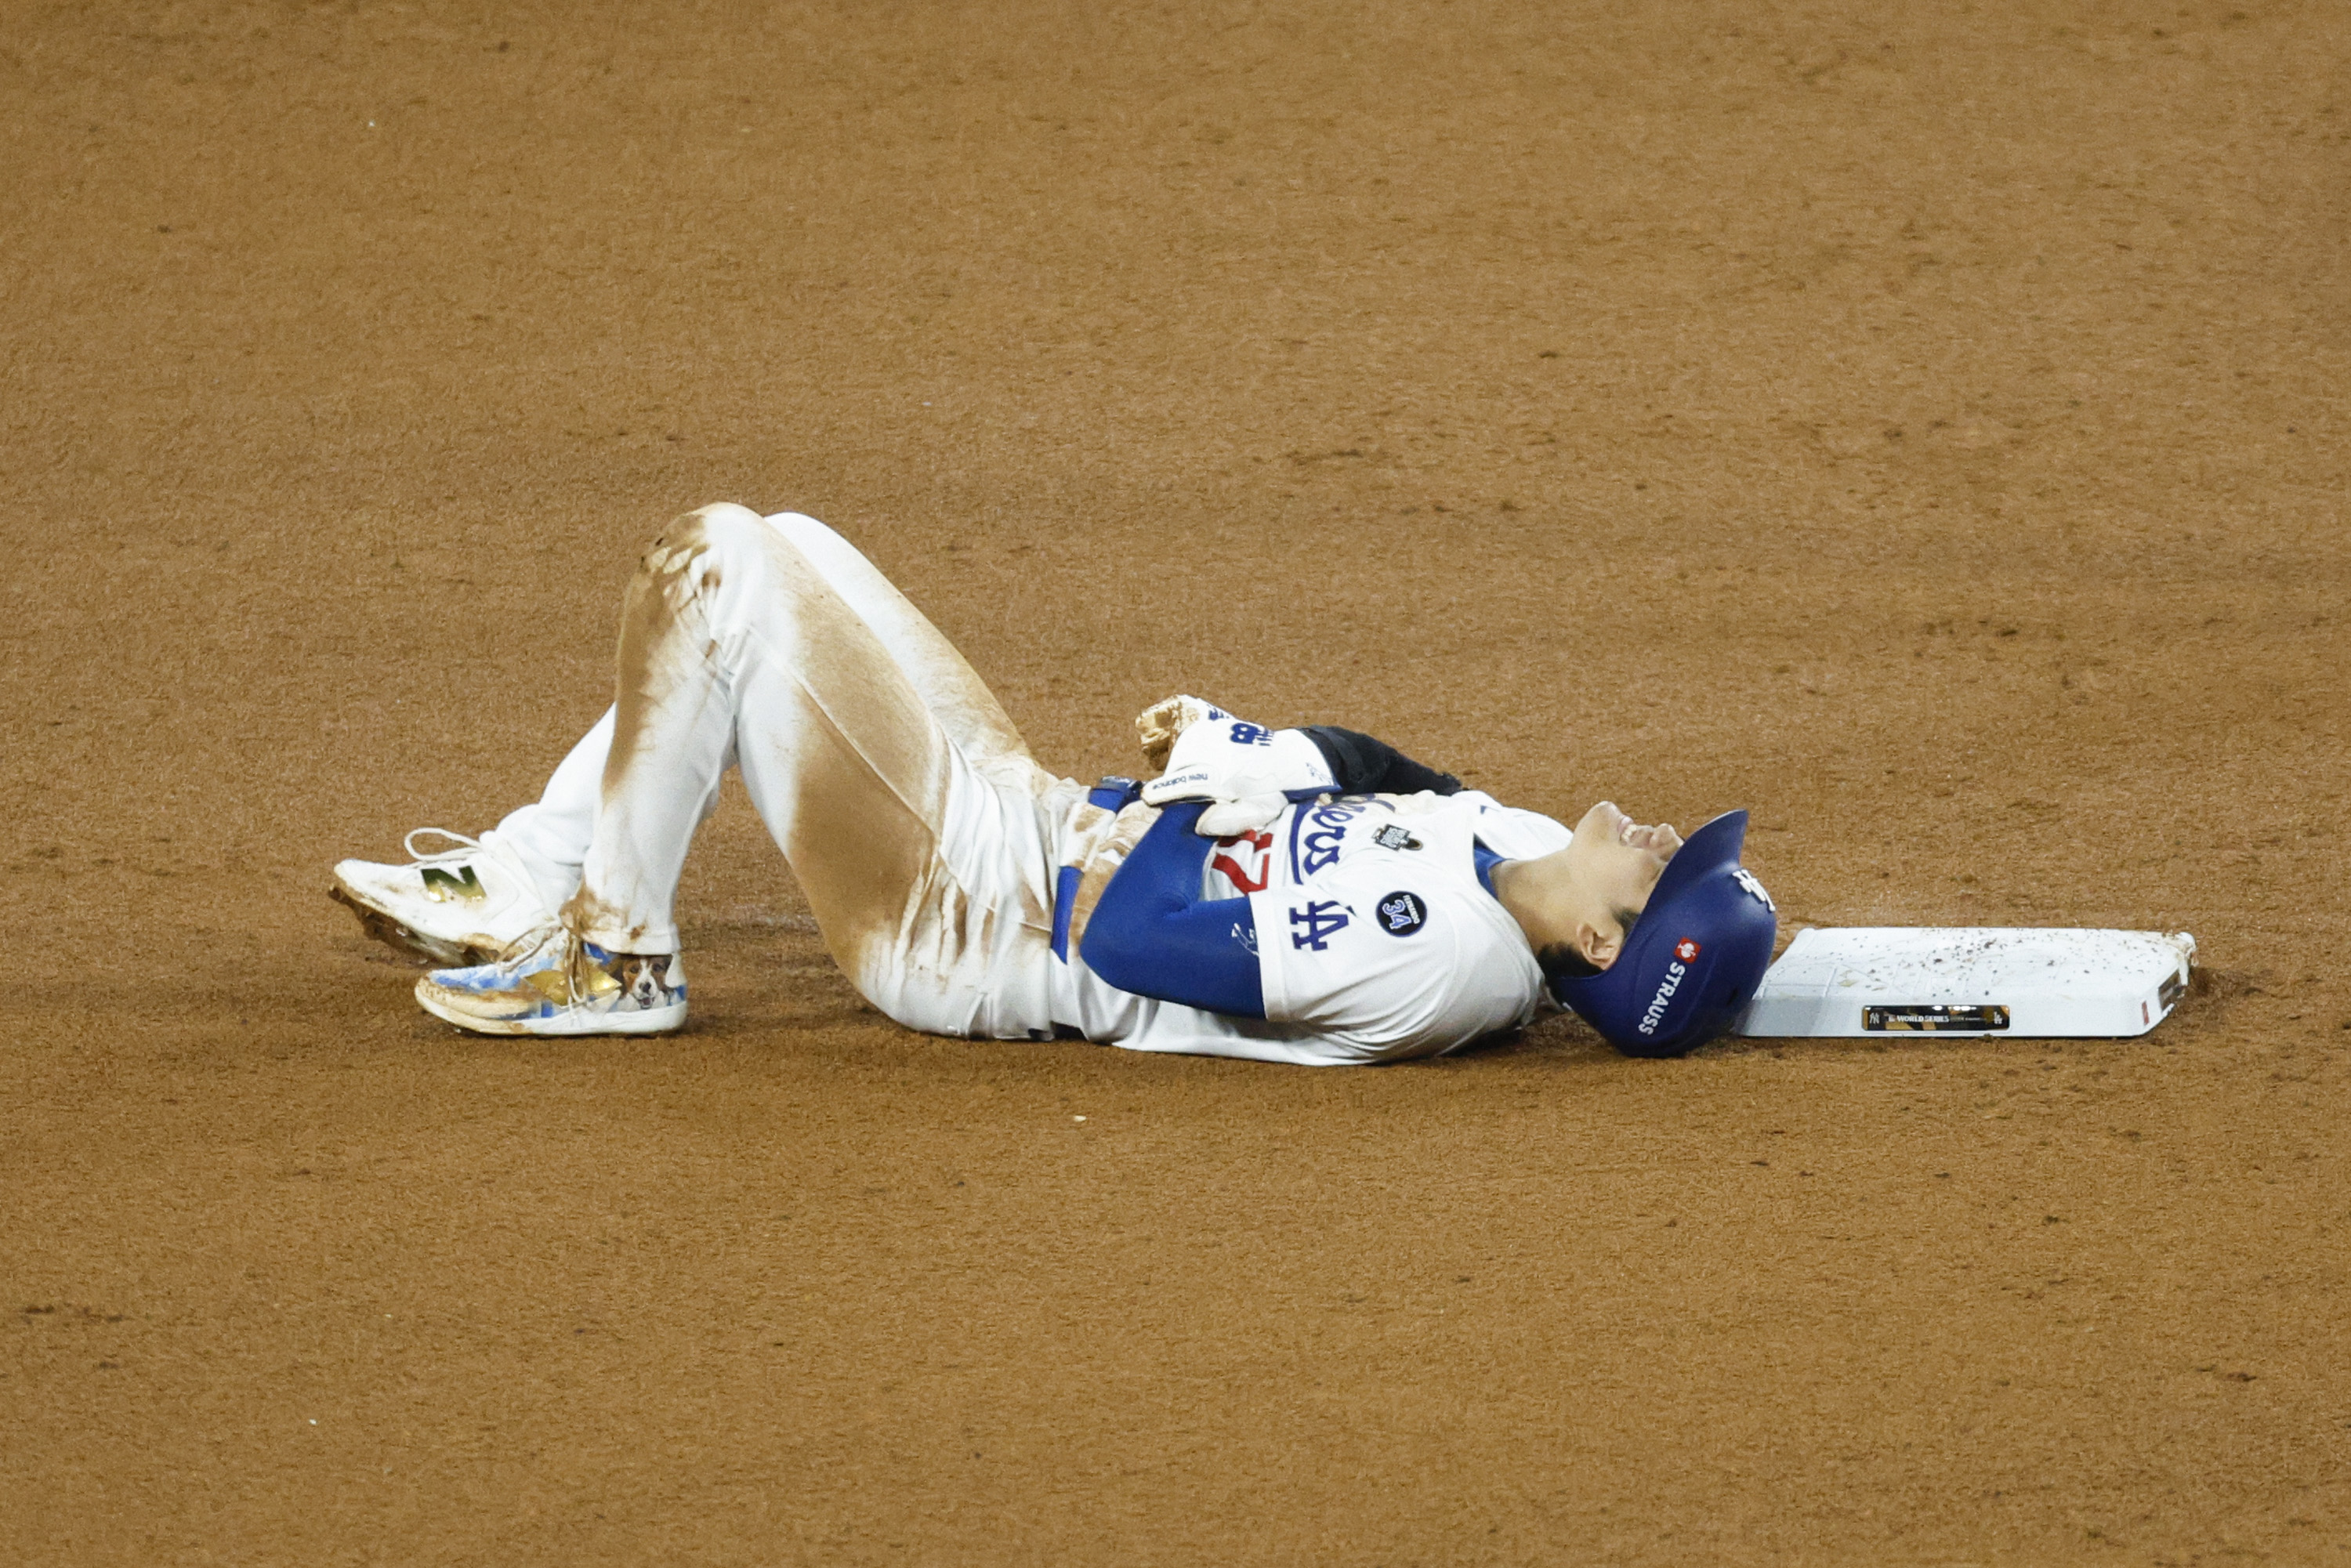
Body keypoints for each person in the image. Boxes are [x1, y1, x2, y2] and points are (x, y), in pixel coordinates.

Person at [330, 505, 1777, 1065]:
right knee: (792, 539)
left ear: (1602, 946)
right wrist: (1268, 752)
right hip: (1018, 813)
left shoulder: (1449, 959)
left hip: (981, 914)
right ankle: (536, 865)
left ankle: (615, 956)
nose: (1656, 830)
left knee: (718, 566)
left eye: (1665, 868)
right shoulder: (1516, 854)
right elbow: (1402, 781)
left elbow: (1134, 943)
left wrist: (1199, 797)